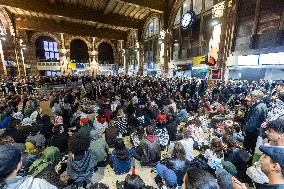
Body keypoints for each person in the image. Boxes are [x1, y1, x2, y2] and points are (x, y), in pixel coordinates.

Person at [243, 91, 267, 157]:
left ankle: (246, 160)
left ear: (256, 97)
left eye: (252, 96)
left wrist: (245, 129)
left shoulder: (258, 107)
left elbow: (252, 122)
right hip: (255, 130)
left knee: (248, 146)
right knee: (252, 147)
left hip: (252, 131)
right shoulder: (262, 105)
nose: (250, 97)